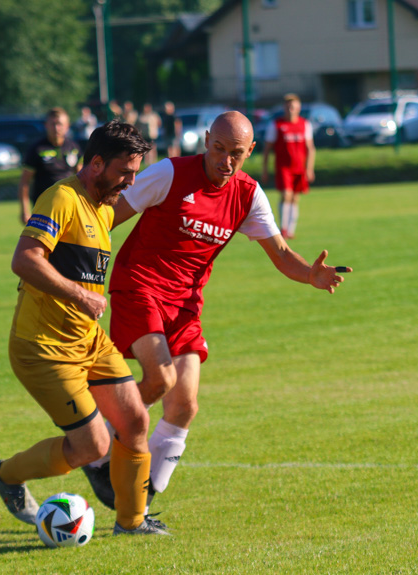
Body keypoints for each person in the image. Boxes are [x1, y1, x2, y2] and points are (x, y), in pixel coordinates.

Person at [82, 111, 351, 518]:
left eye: (236, 154)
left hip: (186, 303)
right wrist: (81, 273)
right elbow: (107, 218)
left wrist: (309, 276)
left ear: (250, 153)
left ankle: (145, 490)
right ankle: (98, 450)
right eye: (218, 149)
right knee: (160, 378)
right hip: (140, 285)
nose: (225, 161)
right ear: (206, 140)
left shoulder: (248, 194)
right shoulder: (170, 174)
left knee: (184, 405)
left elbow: (280, 253)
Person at [0, 120, 168, 537]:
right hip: (43, 347)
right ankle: (7, 476)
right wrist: (80, 295)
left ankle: (131, 522)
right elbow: (25, 260)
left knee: (135, 421)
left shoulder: (104, 205)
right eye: (125, 171)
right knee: (92, 447)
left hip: (88, 340)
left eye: (136, 171)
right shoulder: (62, 198)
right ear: (97, 163)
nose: (132, 180)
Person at [261, 93, 315, 239]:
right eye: (288, 106)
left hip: (299, 167)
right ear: (284, 107)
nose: (291, 108)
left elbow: (310, 148)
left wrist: (309, 168)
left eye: (294, 105)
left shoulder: (305, 124)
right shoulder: (277, 125)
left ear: (299, 107)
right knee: (286, 195)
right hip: (284, 167)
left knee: (295, 198)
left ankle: (290, 230)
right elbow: (267, 149)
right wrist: (264, 169)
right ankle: (283, 229)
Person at [18, 107, 81, 224]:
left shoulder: (73, 148)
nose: (57, 128)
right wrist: (24, 211)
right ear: (46, 125)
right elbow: (24, 182)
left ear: (67, 126)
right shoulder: (37, 149)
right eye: (53, 124)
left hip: (69, 206)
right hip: (44, 208)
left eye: (60, 124)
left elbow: (82, 179)